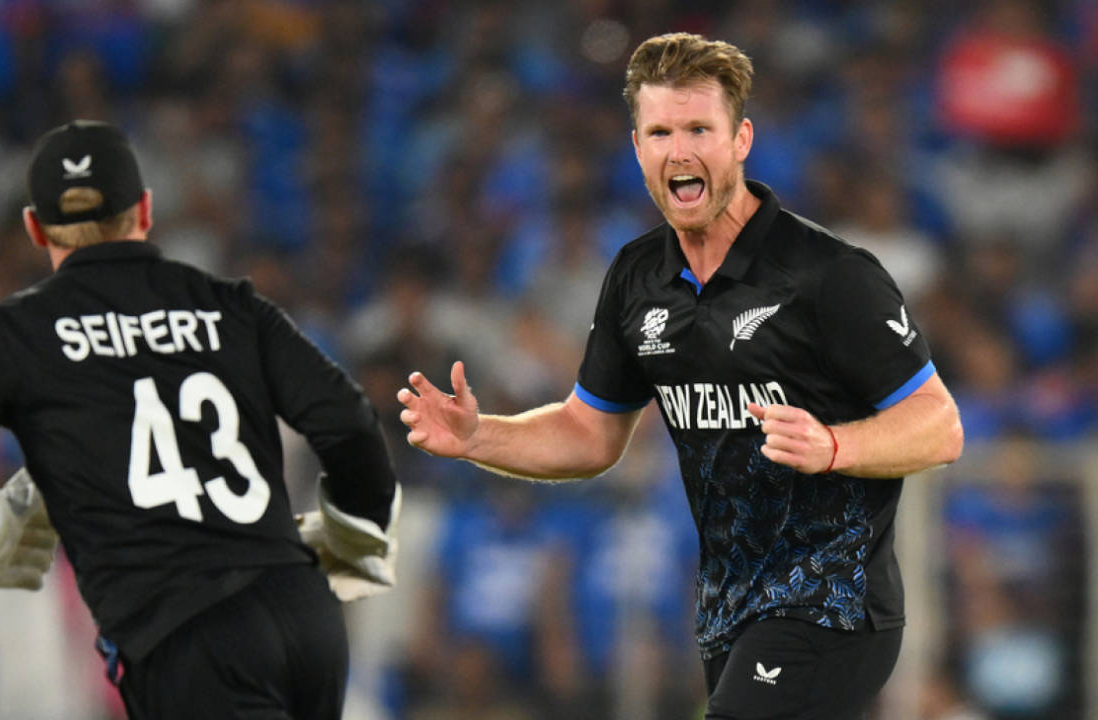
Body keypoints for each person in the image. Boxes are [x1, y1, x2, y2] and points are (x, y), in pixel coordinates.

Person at [398, 32, 962, 720]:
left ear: (741, 140)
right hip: (728, 613)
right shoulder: (637, 277)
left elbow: (940, 425)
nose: (680, 150)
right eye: (661, 132)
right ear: (637, 147)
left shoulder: (828, 274)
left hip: (833, 605)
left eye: (700, 129)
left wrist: (836, 445)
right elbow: (589, 434)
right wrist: (478, 437)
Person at [0, 120, 401, 720]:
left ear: (36, 228)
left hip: (184, 636)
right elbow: (351, 424)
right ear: (144, 210)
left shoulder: (10, 335)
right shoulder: (234, 307)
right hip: (303, 619)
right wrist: (353, 540)